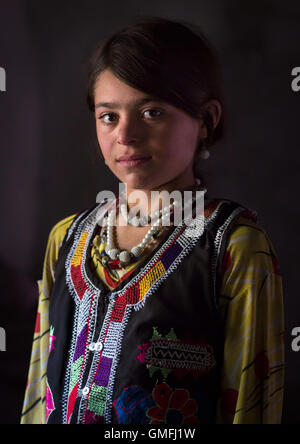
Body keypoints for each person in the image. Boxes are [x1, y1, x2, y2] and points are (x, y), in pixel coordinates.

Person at [21, 17, 284, 425]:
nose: (125, 135)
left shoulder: (233, 247)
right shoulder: (67, 239)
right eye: (109, 116)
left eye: (152, 112)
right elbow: (40, 391)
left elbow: (251, 405)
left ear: (206, 119)